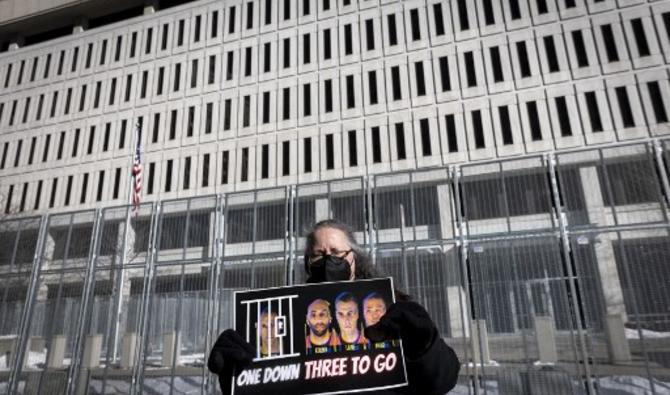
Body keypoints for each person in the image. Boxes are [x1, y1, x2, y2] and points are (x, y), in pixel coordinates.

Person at [208, 219, 460, 394]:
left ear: (354, 257)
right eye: (319, 253)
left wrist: (425, 346)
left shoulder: (393, 307)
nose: (328, 259)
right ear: (308, 262)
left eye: (337, 251)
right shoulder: (286, 318)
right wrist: (236, 375)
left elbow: (442, 381)